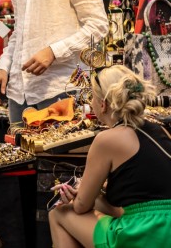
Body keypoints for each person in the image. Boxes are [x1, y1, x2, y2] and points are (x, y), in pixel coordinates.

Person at [49, 65, 171, 247]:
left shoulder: (107, 140)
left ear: (103, 104)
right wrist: (91, 194)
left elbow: (81, 207)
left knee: (59, 214)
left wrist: (78, 196)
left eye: (92, 97)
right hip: (163, 229)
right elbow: (139, 202)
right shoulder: (161, 131)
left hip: (144, 233)